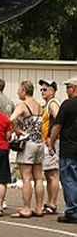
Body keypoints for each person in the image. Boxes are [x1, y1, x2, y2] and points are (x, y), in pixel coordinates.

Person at [9, 80, 44, 218]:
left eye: (19, 90)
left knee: (26, 177)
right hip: (39, 143)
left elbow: (10, 119)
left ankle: (26, 208)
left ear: (24, 91)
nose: (18, 92)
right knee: (38, 177)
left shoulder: (23, 105)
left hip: (28, 144)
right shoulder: (40, 106)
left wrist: (18, 131)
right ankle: (39, 207)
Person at [47, 77, 77, 223]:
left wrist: (51, 142)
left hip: (69, 148)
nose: (66, 90)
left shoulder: (67, 105)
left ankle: (72, 211)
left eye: (68, 87)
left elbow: (57, 126)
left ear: (74, 88)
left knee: (69, 180)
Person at [40, 78, 62, 215]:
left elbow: (59, 118)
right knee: (48, 173)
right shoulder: (47, 104)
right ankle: (50, 202)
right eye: (41, 89)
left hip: (52, 143)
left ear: (53, 91)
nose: (42, 91)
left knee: (52, 173)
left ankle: (53, 203)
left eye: (45, 89)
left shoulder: (53, 103)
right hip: (47, 141)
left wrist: (51, 139)